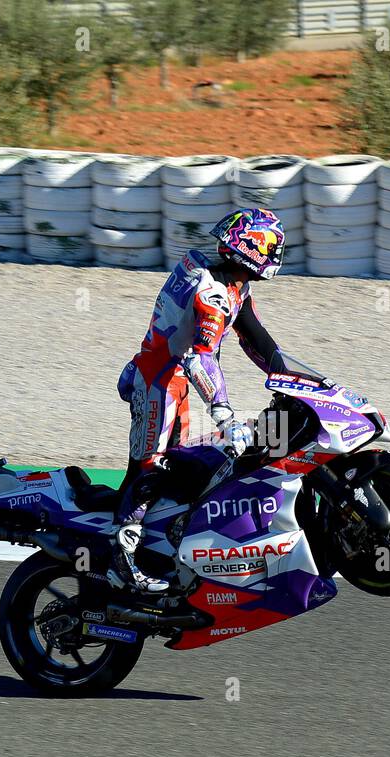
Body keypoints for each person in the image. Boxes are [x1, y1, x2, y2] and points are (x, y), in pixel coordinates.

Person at [109, 208, 288, 593]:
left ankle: (156, 547)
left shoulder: (232, 284)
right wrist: (226, 417)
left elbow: (255, 336)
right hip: (159, 381)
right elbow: (199, 357)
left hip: (175, 381)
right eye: (271, 247)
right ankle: (118, 559)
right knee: (150, 467)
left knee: (178, 467)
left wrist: (294, 379)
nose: (276, 256)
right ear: (251, 249)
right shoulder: (213, 292)